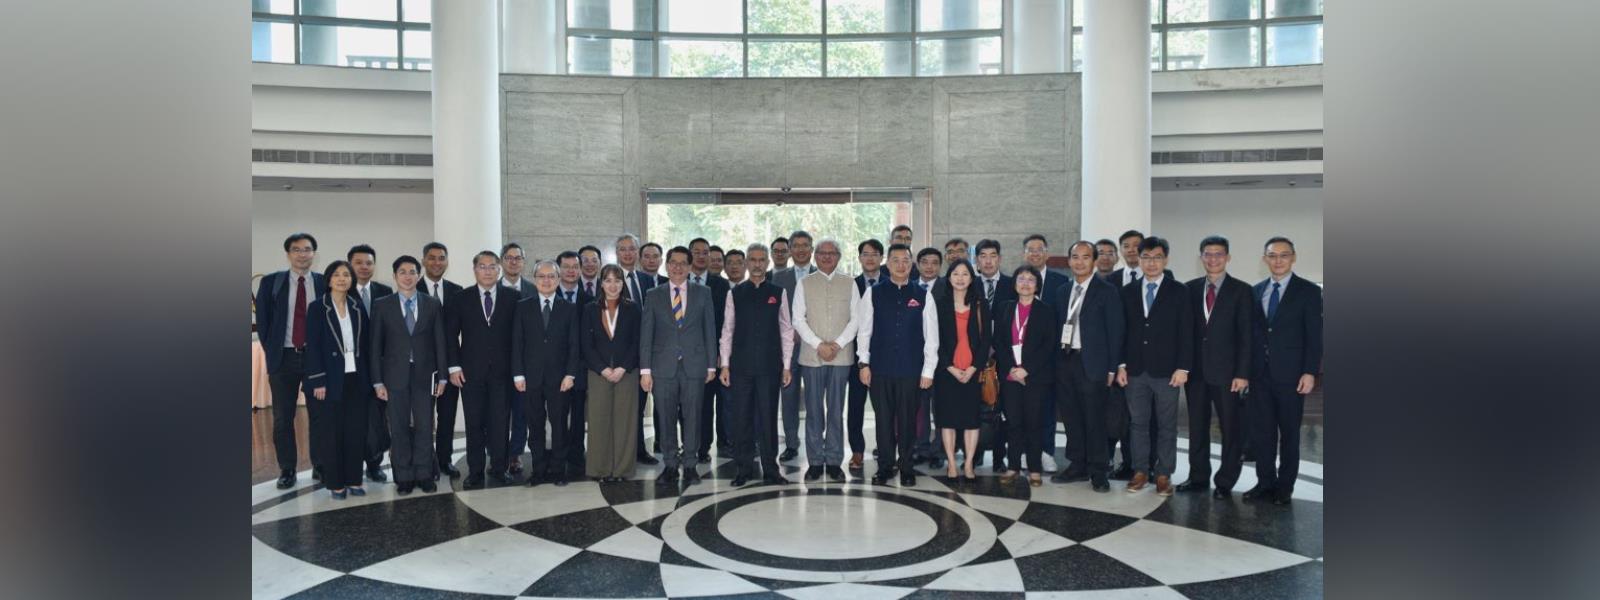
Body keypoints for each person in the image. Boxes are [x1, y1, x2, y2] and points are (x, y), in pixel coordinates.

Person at [1246, 237, 1322, 506]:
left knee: (1289, 433)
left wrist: (1310, 371)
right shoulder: (1255, 291)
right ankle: (1264, 483)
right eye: (1272, 255)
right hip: (1259, 376)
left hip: (1291, 376)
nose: (1278, 260)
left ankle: (1284, 487)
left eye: (1284, 255)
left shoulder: (1309, 292)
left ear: (1293, 257)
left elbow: (1315, 336)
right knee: (1262, 434)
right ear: (1264, 259)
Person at [856, 244, 938, 487]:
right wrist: (863, 364)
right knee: (883, 420)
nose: (901, 265)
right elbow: (864, 331)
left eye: (906, 260)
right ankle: (885, 467)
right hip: (879, 369)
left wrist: (928, 370)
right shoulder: (873, 293)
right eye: (896, 260)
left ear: (912, 264)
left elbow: (931, 336)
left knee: (907, 421)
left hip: (912, 370)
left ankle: (906, 466)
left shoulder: (923, 295)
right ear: (887, 264)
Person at [1116, 237, 1192, 497]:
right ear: (1139, 259)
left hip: (1168, 371)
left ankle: (1163, 473)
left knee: (1167, 425)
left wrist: (1183, 367)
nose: (1151, 263)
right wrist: (1121, 366)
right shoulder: (1127, 292)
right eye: (1146, 257)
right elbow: (1121, 333)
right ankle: (1139, 471)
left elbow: (1186, 333)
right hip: (1135, 370)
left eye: (1157, 257)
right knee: (1137, 424)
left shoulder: (1180, 291)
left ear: (1166, 260)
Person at [1177, 236, 1253, 498]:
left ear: (1228, 257)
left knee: (1231, 429)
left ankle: (1225, 482)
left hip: (1229, 374)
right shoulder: (1189, 289)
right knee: (1197, 428)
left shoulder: (1242, 291)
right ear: (1201, 258)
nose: (1213, 259)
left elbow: (1246, 336)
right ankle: (1198, 477)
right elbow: (1185, 333)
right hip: (1196, 373)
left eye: (1219, 254)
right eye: (1208, 254)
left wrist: (1243, 373)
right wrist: (1183, 367)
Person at [368, 255, 448, 495]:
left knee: (425, 425)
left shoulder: (432, 303)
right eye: (402, 272)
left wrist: (442, 376)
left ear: (419, 275)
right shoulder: (382, 305)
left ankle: (424, 473)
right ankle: (403, 475)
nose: (407, 276)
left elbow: (440, 342)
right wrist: (377, 381)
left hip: (425, 375)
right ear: (394, 276)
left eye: (412, 272)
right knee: (399, 427)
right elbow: (375, 347)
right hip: (394, 376)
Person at [639, 246, 718, 486]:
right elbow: (646, 334)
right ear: (667, 265)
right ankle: (671, 465)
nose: (678, 267)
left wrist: (712, 366)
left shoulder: (703, 293)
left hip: (695, 366)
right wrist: (645, 370)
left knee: (693, 417)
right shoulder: (654, 294)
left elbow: (709, 329)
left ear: (690, 266)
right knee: (665, 418)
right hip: (662, 368)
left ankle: (691, 465)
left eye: (683, 263)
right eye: (673, 262)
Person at [718, 243, 796, 486]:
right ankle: (744, 469)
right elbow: (727, 330)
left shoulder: (778, 292)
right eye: (753, 259)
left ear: (768, 263)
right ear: (746, 263)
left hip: (770, 368)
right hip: (740, 367)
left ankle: (771, 470)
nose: (758, 264)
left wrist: (786, 365)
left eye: (762, 259)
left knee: (768, 418)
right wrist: (725, 365)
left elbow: (786, 330)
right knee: (741, 419)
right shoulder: (735, 293)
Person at [1049, 242, 1123, 493]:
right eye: (1074, 257)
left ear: (1093, 261)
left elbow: (1116, 331)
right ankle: (1077, 463)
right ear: (1069, 261)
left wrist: (1113, 367)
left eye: (1085, 257)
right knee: (1071, 417)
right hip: (1065, 361)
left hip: (1093, 363)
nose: (1079, 262)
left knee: (1095, 418)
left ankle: (1099, 470)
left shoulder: (1107, 290)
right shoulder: (1062, 291)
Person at [446, 251, 522, 490]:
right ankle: (475, 472)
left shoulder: (514, 298)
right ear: (475, 270)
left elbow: (519, 337)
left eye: (492, 267)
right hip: (471, 373)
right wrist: (454, 366)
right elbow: (450, 336)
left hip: (503, 372)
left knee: (500, 422)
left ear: (499, 270)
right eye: (482, 266)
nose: (488, 271)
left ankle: (499, 469)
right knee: (474, 423)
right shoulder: (461, 298)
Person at [258, 233, 328, 489]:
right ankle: (287, 469)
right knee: (282, 418)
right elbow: (264, 323)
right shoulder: (271, 283)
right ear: (288, 254)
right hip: (284, 358)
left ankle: (320, 465)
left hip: (315, 359)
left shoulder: (323, 283)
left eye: (307, 249)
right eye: (296, 249)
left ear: (314, 254)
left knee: (320, 415)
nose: (302, 254)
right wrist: (273, 352)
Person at [302, 260, 372, 499]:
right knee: (331, 432)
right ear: (329, 279)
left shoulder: (357, 305)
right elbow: (312, 347)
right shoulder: (317, 308)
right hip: (329, 380)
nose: (342, 279)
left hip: (357, 378)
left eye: (346, 275)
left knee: (355, 431)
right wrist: (317, 380)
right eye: (337, 275)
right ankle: (335, 483)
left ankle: (354, 479)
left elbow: (367, 344)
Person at [792, 238, 858, 482]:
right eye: (822, 253)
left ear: (839, 257)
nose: (827, 257)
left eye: (832, 253)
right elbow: (798, 319)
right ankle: (815, 462)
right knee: (813, 411)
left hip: (841, 357)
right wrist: (819, 344)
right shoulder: (804, 283)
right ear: (815, 256)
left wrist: (837, 344)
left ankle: (833, 461)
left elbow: (856, 319)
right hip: (812, 356)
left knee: (836, 411)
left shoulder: (850, 283)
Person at [511, 260, 580, 486]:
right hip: (530, 378)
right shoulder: (523, 306)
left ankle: (559, 470)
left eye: (551, 276)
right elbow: (517, 343)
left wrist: (570, 374)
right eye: (542, 276)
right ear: (535, 280)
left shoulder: (568, 308)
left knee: (560, 424)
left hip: (560, 379)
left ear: (559, 280)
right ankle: (539, 469)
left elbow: (573, 345)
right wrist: (518, 375)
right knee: (535, 424)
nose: (547, 280)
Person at [994, 266, 1059, 487]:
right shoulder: (1004, 308)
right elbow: (999, 342)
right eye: (1021, 278)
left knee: (1034, 423)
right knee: (1013, 423)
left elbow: (1048, 345)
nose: (1025, 283)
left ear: (1037, 285)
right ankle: (1012, 466)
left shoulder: (1046, 310)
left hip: (1036, 377)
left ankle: (1034, 469)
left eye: (1031, 280)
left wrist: (1026, 369)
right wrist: (1012, 368)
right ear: (1014, 283)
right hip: (1010, 376)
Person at [581, 264, 642, 482]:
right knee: (598, 420)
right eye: (608, 280)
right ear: (601, 283)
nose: (613, 285)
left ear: (623, 284)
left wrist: (623, 367)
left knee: (625, 422)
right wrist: (603, 369)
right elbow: (586, 345)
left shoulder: (633, 309)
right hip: (599, 373)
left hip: (627, 372)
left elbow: (637, 342)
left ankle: (622, 470)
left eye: (617, 280)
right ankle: (600, 468)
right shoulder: (589, 309)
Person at [932, 259, 990, 481]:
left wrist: (975, 367)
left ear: (971, 278)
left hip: (973, 372)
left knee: (971, 421)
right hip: (947, 372)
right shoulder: (940, 304)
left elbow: (986, 341)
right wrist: (949, 367)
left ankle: (968, 464)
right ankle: (951, 464)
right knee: (947, 420)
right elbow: (934, 340)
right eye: (955, 274)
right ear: (949, 277)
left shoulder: (980, 304)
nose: (960, 278)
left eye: (965, 274)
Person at [419, 241, 464, 480]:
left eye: (442, 258)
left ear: (447, 261)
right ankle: (426, 462)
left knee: (446, 417)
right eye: (432, 257)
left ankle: (445, 460)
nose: (437, 262)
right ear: (424, 260)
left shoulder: (457, 291)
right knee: (423, 418)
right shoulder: (412, 287)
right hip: (420, 366)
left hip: (449, 364)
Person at [615, 234, 660, 466]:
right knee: (623, 407)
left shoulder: (646, 279)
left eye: (632, 249)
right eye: (623, 249)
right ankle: (621, 452)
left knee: (640, 405)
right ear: (616, 253)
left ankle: (640, 450)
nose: (628, 253)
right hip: (620, 355)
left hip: (646, 352)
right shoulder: (610, 278)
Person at [771, 230, 815, 462]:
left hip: (815, 348)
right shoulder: (778, 278)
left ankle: (816, 442)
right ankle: (791, 443)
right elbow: (776, 314)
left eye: (804, 245)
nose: (800, 249)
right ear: (789, 249)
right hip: (787, 350)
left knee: (816, 399)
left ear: (812, 249)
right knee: (788, 398)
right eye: (795, 245)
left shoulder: (821, 275)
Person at [688, 237, 732, 463]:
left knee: (711, 404)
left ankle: (705, 447)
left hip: (712, 357)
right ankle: (690, 444)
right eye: (697, 252)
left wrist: (720, 354)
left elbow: (724, 322)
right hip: (685, 357)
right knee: (691, 405)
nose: (701, 256)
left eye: (705, 252)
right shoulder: (678, 281)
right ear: (689, 254)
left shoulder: (721, 285)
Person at [847, 238, 885, 474]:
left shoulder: (893, 282)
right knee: (855, 407)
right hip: (855, 357)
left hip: (883, 356)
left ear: (881, 258)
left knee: (884, 407)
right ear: (859, 258)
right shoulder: (850, 285)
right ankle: (857, 451)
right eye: (865, 254)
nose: (870, 258)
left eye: (874, 254)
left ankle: (885, 448)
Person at [499, 242, 534, 474]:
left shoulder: (533, 289)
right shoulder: (492, 287)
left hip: (527, 362)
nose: (513, 262)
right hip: (499, 362)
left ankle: (515, 454)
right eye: (509, 258)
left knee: (522, 412)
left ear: (523, 261)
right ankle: (498, 452)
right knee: (499, 411)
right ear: (503, 261)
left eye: (518, 258)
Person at [911, 246, 945, 468]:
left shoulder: (948, 288)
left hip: (942, 359)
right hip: (915, 359)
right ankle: (920, 447)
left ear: (940, 266)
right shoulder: (910, 288)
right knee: (919, 407)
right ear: (918, 264)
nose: (929, 266)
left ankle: (938, 451)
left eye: (934, 262)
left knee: (940, 407)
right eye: (925, 262)